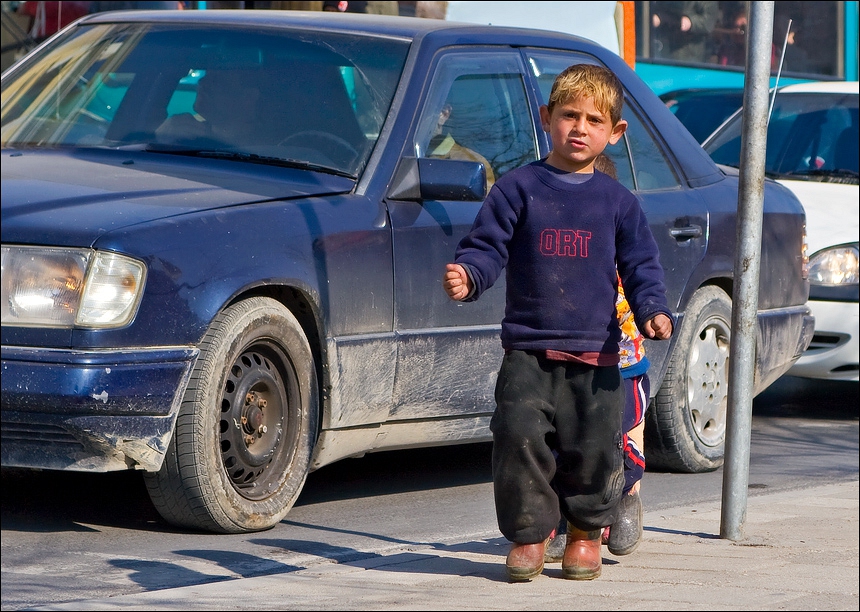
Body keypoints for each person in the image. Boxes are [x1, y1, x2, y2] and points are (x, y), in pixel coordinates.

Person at [442, 64, 674, 582]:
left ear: (614, 133)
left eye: (594, 120)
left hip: (598, 356)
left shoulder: (619, 203)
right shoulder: (517, 189)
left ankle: (586, 535)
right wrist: (469, 276)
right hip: (528, 350)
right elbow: (486, 247)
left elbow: (641, 267)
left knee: (593, 450)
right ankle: (527, 537)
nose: (579, 127)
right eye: (569, 115)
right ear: (547, 118)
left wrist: (654, 311)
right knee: (518, 439)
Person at [543, 154, 651, 564]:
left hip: (621, 365)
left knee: (622, 434)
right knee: (561, 439)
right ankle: (560, 520)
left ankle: (627, 498)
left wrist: (654, 313)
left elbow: (646, 278)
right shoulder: (558, 236)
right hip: (570, 359)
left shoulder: (624, 234)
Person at [155, 69, 261, 147]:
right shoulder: (185, 135)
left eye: (217, 80)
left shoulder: (269, 148)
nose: (202, 82)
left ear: (249, 96)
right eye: (205, 75)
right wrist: (160, 137)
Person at [427, 102, 496, 191]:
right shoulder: (408, 153)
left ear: (444, 114)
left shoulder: (470, 164)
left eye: (419, 110)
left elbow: (483, 203)